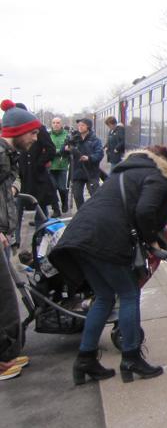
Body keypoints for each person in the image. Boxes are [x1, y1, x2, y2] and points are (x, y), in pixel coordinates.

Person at [48, 145, 167, 384]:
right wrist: (150, 238)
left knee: (104, 296)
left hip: (78, 237)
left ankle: (86, 359)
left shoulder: (123, 172)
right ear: (166, 162)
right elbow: (145, 211)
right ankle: (132, 357)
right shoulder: (159, 177)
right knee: (129, 294)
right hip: (104, 239)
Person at [0, 100, 41, 381]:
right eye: (33, 133)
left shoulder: (7, 155)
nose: (36, 138)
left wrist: (14, 186)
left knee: (6, 296)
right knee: (2, 297)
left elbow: (9, 180)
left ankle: (7, 353)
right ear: (17, 131)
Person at [14, 104, 59, 218]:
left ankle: (41, 232)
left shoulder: (38, 128)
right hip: (21, 173)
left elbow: (51, 149)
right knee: (18, 206)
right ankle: (16, 235)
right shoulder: (14, 130)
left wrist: (39, 164)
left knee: (40, 203)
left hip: (36, 174)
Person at [66, 118, 103, 209]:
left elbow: (99, 154)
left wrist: (89, 158)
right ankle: (82, 213)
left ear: (88, 127)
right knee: (77, 195)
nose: (80, 127)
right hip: (77, 172)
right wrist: (66, 148)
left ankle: (96, 213)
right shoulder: (74, 139)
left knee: (95, 195)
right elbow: (65, 149)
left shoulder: (95, 140)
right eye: (79, 125)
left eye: (82, 125)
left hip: (91, 172)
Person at [48, 117, 71, 214]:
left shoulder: (67, 136)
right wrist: (59, 151)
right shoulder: (48, 135)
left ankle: (64, 202)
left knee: (62, 187)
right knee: (52, 188)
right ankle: (55, 210)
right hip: (50, 165)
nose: (56, 124)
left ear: (61, 124)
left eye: (57, 123)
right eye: (53, 123)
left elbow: (69, 149)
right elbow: (47, 149)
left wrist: (67, 150)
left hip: (62, 165)